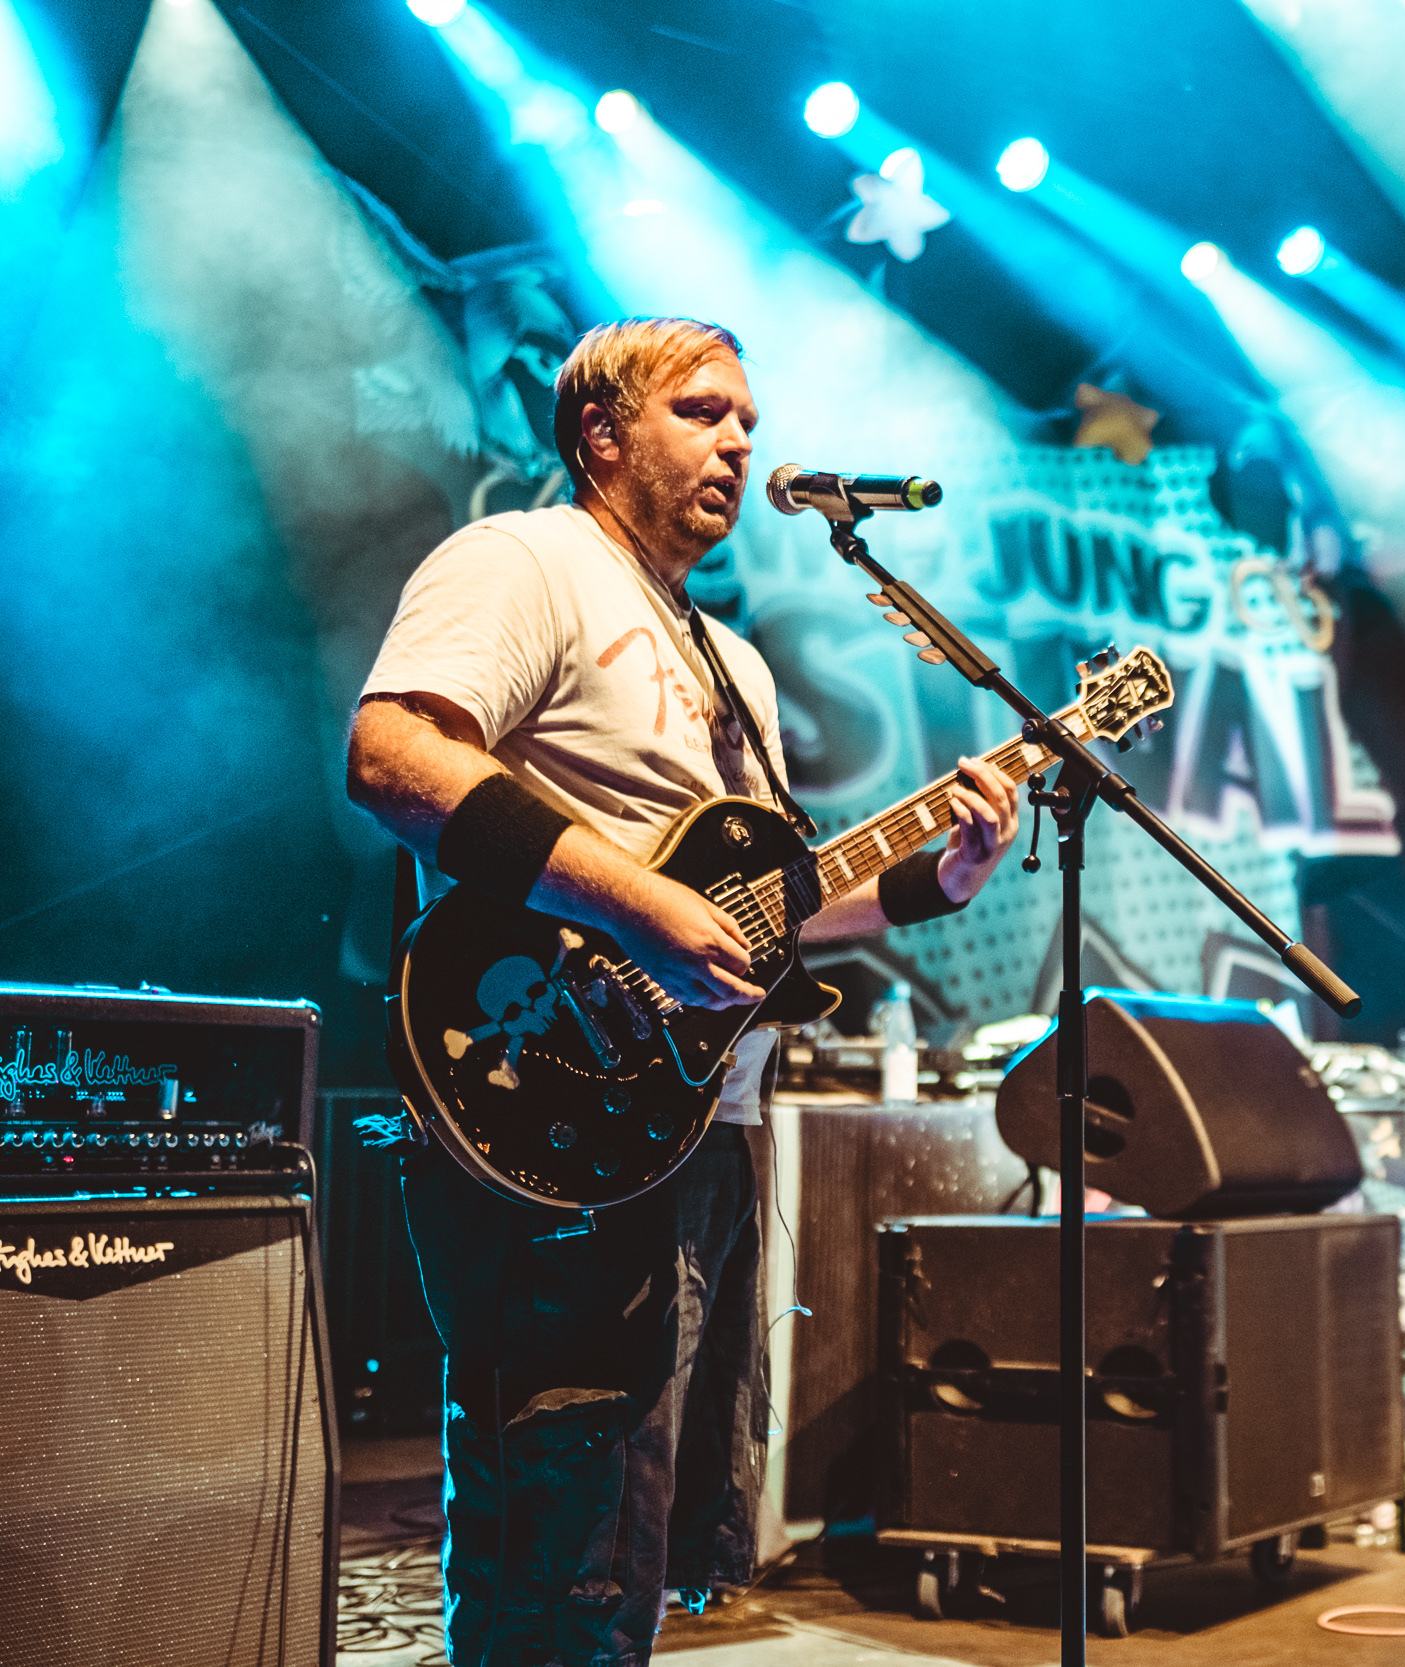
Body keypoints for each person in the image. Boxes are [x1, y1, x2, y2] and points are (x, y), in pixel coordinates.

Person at [345, 316, 1021, 1666]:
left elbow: (766, 908)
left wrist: (937, 878)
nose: (739, 443)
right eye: (703, 411)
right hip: (549, 1100)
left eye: (748, 423)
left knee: (634, 1537)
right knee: (562, 1525)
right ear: (601, 432)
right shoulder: (526, 561)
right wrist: (633, 903)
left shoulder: (733, 661)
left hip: (696, 1121)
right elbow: (393, 752)